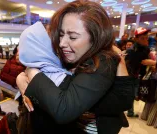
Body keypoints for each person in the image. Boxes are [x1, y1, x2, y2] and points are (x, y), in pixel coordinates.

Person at [17, 1, 134, 134]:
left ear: (95, 37)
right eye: (61, 34)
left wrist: (32, 72)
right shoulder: (74, 54)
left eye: (72, 37)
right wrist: (23, 77)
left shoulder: (101, 60)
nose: (61, 43)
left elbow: (64, 109)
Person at [125, 27, 151, 117]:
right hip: (131, 76)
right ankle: (129, 111)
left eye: (146, 38)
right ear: (136, 39)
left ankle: (130, 111)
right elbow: (136, 61)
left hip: (138, 75)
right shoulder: (132, 50)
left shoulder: (144, 49)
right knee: (131, 95)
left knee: (133, 95)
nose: (145, 40)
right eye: (142, 38)